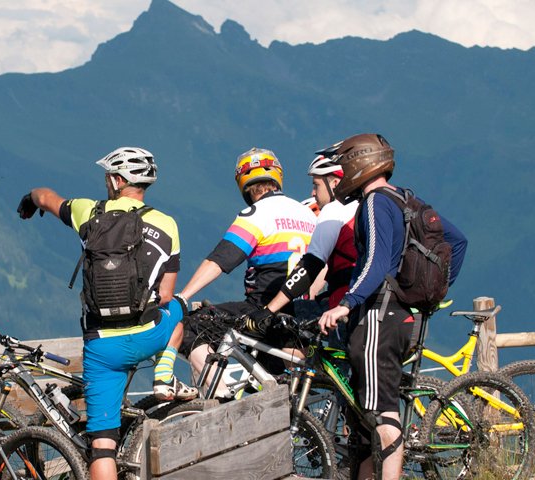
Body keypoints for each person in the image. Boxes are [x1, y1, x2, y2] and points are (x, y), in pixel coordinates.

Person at [17, 147, 187, 480]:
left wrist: (30, 199)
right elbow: (165, 294)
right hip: (147, 334)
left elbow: (46, 197)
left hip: (101, 347)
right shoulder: (166, 224)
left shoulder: (88, 212)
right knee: (181, 308)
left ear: (116, 180)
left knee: (103, 445)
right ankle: (164, 372)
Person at [315, 133, 467, 480]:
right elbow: (456, 242)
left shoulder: (373, 203)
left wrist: (347, 302)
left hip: (377, 319)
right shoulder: (405, 199)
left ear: (357, 163)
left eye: (343, 163)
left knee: (383, 417)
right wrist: (429, 294)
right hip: (401, 318)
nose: (340, 172)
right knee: (367, 417)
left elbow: (377, 262)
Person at [156, 147, 315, 398]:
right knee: (276, 386)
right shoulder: (308, 214)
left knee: (190, 327)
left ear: (243, 183)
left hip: (262, 309)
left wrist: (184, 296)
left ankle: (222, 397)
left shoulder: (257, 214)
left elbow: (221, 260)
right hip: (301, 313)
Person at [262, 144, 360, 346]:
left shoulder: (335, 210)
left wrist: (269, 309)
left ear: (334, 183)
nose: (313, 192)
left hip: (346, 310)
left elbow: (310, 266)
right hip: (377, 308)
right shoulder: (365, 206)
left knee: (284, 318)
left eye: (316, 185)